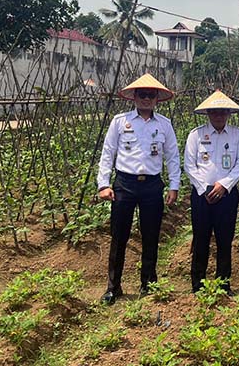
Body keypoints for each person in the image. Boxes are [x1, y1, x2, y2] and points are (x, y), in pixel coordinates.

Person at [97, 73, 181, 305]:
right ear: (134, 97)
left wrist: (174, 185)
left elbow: (173, 156)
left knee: (151, 236)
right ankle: (114, 287)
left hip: (152, 186)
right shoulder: (120, 121)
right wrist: (103, 184)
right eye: (141, 95)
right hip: (124, 184)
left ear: (156, 98)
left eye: (150, 95)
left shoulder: (164, 124)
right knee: (119, 237)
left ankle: (148, 284)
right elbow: (108, 154)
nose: (146, 99)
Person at [183, 90, 239, 294]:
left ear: (228, 113)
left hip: (227, 194)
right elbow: (189, 165)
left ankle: (223, 283)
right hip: (202, 195)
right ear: (208, 113)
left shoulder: (237, 135)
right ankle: (197, 284)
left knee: (225, 240)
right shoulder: (196, 135)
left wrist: (224, 185)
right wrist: (204, 189)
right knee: (201, 238)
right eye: (214, 111)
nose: (219, 115)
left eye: (223, 111)